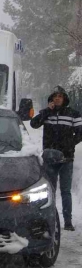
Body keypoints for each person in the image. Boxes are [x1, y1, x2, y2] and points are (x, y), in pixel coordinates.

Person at [30, 86, 82, 231]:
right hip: (50, 158)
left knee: (65, 191)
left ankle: (68, 221)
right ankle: (50, 219)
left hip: (66, 158)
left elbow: (80, 132)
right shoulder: (46, 114)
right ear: (51, 99)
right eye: (55, 96)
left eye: (60, 96)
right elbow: (34, 124)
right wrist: (47, 111)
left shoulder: (74, 114)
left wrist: (69, 144)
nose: (57, 98)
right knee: (50, 190)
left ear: (64, 98)